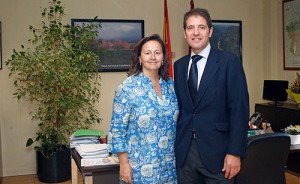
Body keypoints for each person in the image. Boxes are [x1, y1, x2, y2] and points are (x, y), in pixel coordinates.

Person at [174, 8, 249, 184]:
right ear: (185, 33)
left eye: (201, 27)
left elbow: (239, 110)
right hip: (185, 155)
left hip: (220, 155)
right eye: (190, 28)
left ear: (210, 31)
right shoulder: (179, 66)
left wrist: (235, 152)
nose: (196, 32)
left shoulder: (229, 62)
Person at [108, 34, 179, 184]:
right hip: (139, 168)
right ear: (139, 58)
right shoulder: (127, 88)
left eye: (157, 53)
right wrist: (124, 164)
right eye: (147, 53)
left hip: (169, 167)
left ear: (163, 58)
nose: (152, 57)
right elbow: (117, 130)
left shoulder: (171, 86)